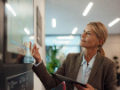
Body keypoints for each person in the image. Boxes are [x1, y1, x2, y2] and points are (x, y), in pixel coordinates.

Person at [30, 22, 117, 90]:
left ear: (100, 41)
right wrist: (38, 60)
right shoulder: (70, 59)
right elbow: (50, 84)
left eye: (88, 33)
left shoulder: (108, 65)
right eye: (84, 32)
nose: (82, 35)